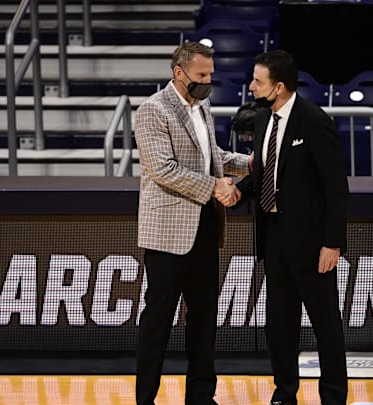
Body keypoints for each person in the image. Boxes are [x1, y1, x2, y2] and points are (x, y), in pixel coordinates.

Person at [133, 41, 252, 405]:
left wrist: (250, 163)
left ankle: (201, 396)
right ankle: (145, 399)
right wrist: (216, 186)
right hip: (167, 233)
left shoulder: (202, 107)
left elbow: (210, 155)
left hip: (204, 228)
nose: (207, 82)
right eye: (201, 76)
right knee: (158, 321)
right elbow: (162, 169)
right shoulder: (152, 110)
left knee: (204, 318)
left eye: (211, 75)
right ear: (179, 73)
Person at [236, 50, 350, 405]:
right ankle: (285, 393)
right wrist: (239, 189)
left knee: (325, 326)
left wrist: (333, 243)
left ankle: (332, 396)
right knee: (279, 325)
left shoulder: (313, 120)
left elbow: (335, 186)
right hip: (273, 237)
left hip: (313, 242)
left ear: (279, 86)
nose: (252, 86)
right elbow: (265, 174)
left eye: (258, 81)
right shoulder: (261, 119)